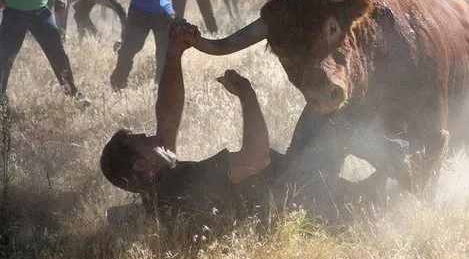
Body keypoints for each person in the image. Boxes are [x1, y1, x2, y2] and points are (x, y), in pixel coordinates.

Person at [102, 21, 399, 225]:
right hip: (304, 198)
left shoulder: (158, 191)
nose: (155, 138)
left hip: (296, 182)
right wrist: (247, 95)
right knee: (331, 116)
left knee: (323, 112)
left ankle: (378, 183)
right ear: (142, 165)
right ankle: (405, 160)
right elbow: (256, 158)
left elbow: (167, 115)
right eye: (146, 141)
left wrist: (174, 53)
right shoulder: (181, 183)